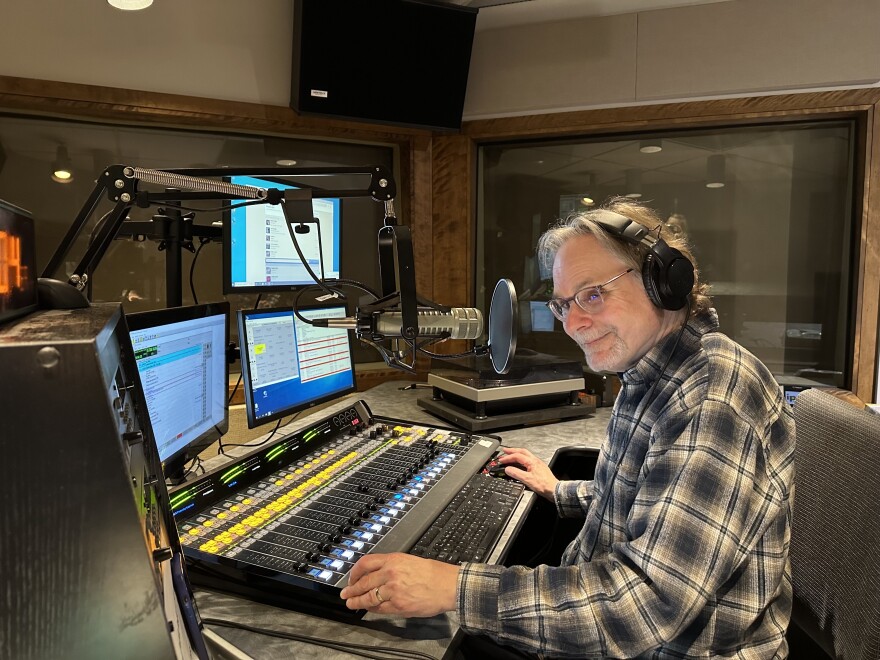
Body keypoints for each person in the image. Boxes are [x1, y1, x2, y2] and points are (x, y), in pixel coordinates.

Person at [340, 198, 795, 659]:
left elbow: (647, 606)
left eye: (593, 294)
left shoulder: (713, 396)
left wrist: (455, 589)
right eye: (562, 305)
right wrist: (560, 490)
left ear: (665, 283)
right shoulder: (651, 373)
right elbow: (646, 502)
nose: (574, 324)